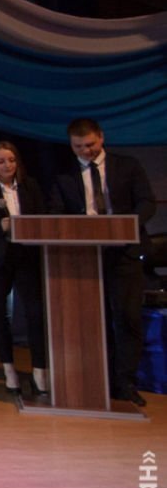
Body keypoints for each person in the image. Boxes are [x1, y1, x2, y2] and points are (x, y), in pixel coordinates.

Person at [52, 118, 158, 407]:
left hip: (124, 253)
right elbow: (56, 212)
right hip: (84, 258)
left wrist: (124, 225)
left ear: (101, 137)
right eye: (78, 147)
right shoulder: (63, 175)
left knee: (127, 317)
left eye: (90, 144)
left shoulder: (127, 165)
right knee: (91, 321)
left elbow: (146, 202)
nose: (85, 151)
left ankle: (125, 382)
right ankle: (97, 380)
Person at [0, 140, 47, 400]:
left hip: (27, 257)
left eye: (11, 160)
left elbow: (43, 218)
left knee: (35, 313)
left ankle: (40, 370)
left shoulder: (30, 186)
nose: (7, 166)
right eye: (1, 161)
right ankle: (9, 369)